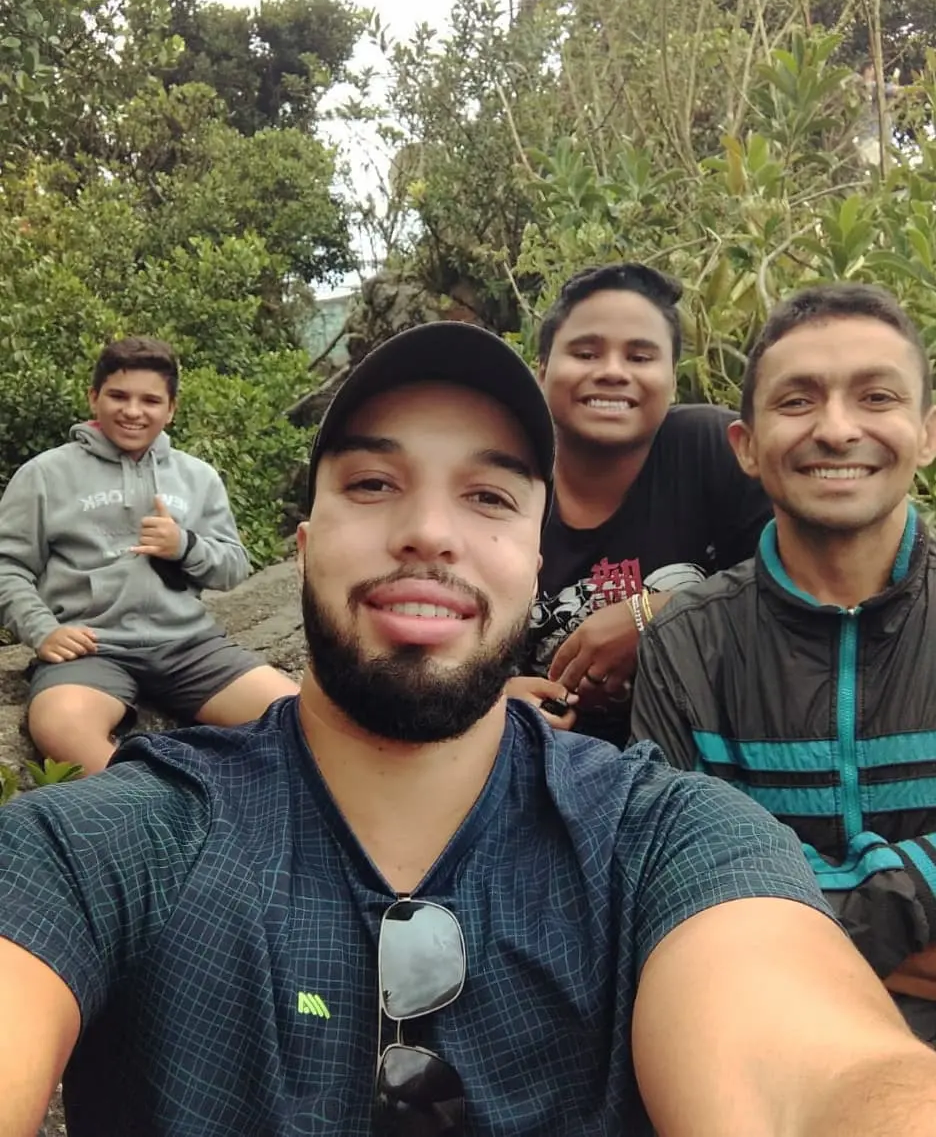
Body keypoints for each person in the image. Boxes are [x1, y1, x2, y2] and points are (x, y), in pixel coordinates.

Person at [2, 319, 936, 1137]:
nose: (429, 531)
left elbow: (819, 1075)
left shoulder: (664, 842)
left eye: (489, 497)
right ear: (306, 546)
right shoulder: (101, 849)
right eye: (374, 483)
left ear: (535, 561)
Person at [629, 282, 936, 1043]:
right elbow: (681, 878)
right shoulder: (688, 645)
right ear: (746, 445)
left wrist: (797, 924)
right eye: (797, 401)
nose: (837, 429)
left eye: (876, 397)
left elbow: (748, 900)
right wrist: (897, 936)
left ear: (927, 433)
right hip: (767, 1040)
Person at [0, 336, 298, 774]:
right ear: (93, 397)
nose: (133, 411)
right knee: (60, 726)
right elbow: (8, 566)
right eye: (118, 396)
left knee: (299, 718)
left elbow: (233, 567)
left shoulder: (197, 477)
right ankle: (156, 805)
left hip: (188, 646)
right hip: (92, 649)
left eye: (151, 400)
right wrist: (43, 630)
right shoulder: (44, 475)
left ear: (171, 409)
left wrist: (184, 546)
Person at [509, 262, 772, 745]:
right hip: (543, 759)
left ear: (672, 378)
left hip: (712, 755)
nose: (612, 372)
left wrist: (652, 615)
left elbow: (805, 580)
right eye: (586, 353)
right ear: (542, 371)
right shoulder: (500, 479)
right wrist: (494, 701)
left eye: (640, 356)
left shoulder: (712, 450)